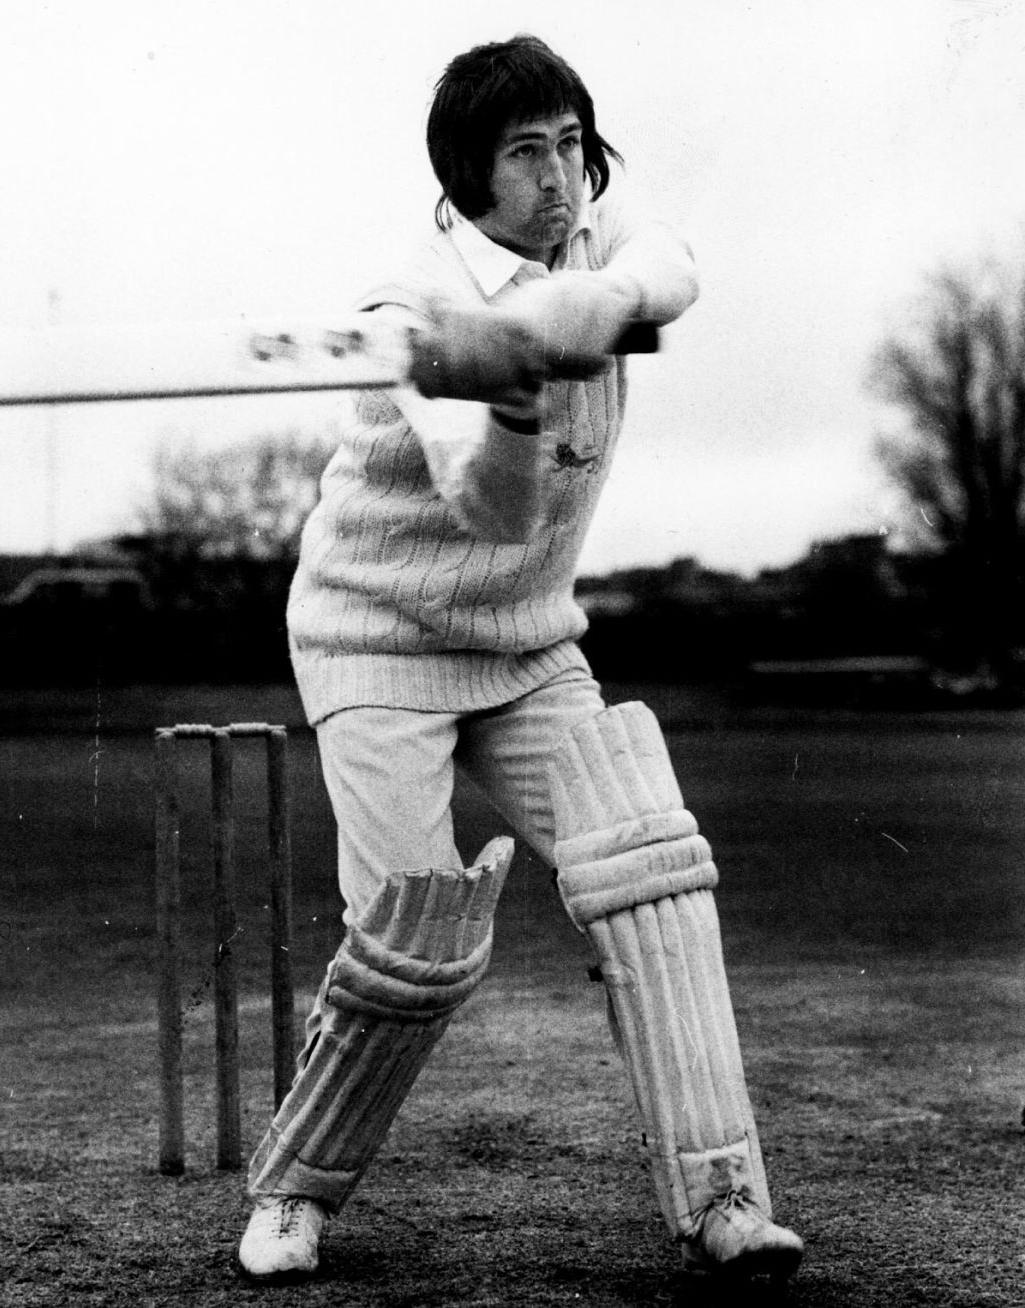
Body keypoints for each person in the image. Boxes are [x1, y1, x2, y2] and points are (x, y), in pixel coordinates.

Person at [237, 33, 805, 1284]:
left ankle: (722, 1201)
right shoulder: (406, 307)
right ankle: (293, 1192)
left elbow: (674, 265)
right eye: (526, 154)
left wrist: (593, 302)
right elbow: (494, 511)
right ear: (465, 174)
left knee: (655, 871)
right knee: (413, 938)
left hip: (532, 642)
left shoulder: (596, 242)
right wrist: (506, 392)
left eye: (572, 147)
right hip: (376, 637)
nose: (561, 181)